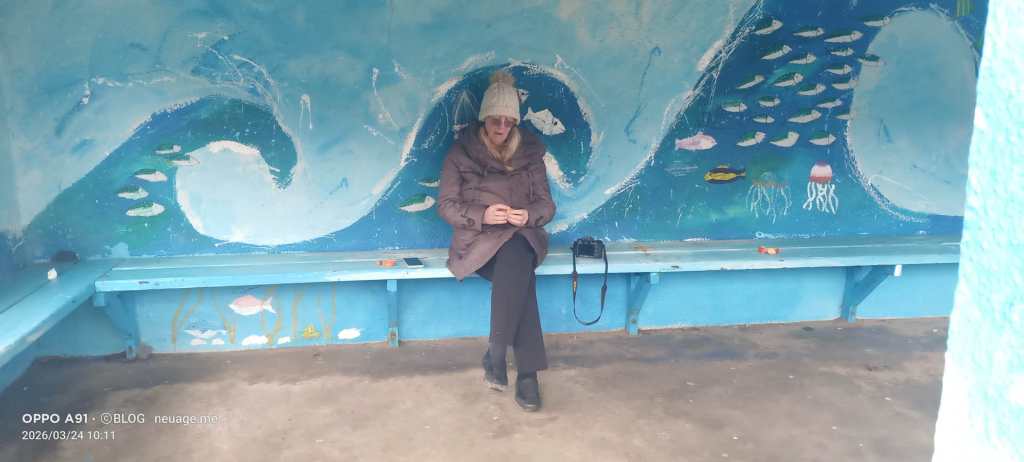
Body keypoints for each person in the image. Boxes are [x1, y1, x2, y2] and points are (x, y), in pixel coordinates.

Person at [437, 69, 556, 412]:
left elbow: (547, 205)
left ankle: (497, 354)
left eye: (508, 121)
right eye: (495, 121)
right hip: (479, 245)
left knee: (517, 253)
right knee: (520, 275)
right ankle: (528, 374)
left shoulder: (530, 153)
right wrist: (483, 215)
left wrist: (528, 216)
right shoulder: (460, 154)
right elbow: (446, 205)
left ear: (515, 122)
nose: (502, 128)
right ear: (484, 119)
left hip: (521, 237)